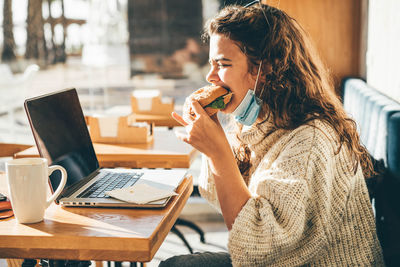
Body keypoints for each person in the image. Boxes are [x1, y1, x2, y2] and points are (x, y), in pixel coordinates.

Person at [161, 2, 384, 266]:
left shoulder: (310, 138)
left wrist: (217, 151)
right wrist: (214, 138)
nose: (210, 77)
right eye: (211, 64)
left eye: (223, 64)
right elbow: (217, 194)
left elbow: (258, 243)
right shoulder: (263, 120)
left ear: (263, 69)